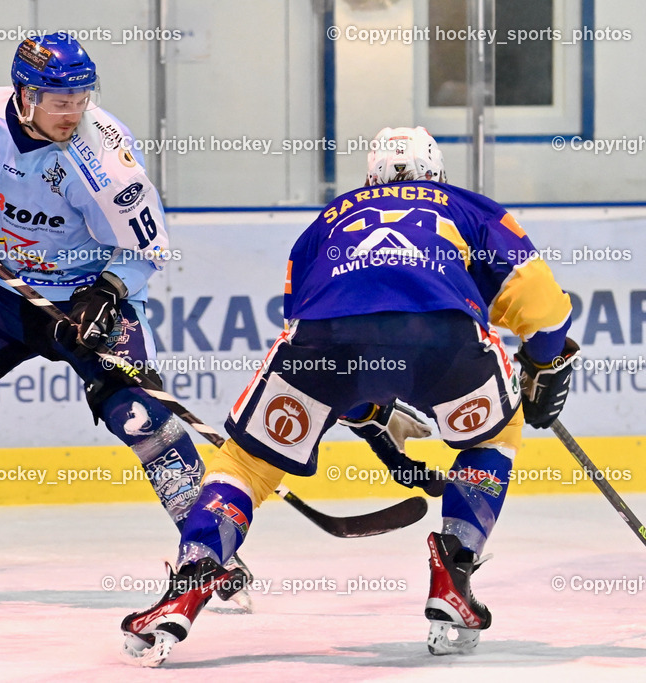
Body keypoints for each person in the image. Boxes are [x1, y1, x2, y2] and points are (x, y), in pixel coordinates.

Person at [120, 126, 579, 665]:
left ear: (370, 178)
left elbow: (319, 333)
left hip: (321, 342)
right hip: (443, 342)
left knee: (245, 464)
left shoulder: (328, 220)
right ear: (439, 175)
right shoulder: (469, 208)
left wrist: (367, 409)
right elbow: (544, 307)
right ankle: (454, 570)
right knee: (491, 435)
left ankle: (190, 580)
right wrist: (545, 364)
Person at [0, 32, 237, 606]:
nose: (72, 111)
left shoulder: (105, 156)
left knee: (138, 415)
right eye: (59, 100)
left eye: (81, 98)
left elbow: (147, 248)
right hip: (6, 289)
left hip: (94, 293)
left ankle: (211, 554)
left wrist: (107, 290)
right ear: (23, 95)